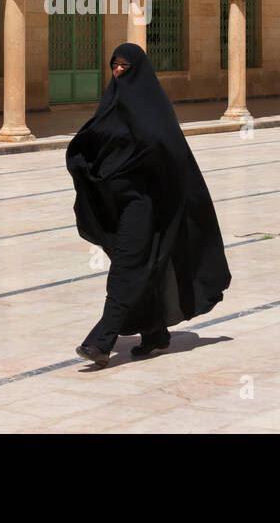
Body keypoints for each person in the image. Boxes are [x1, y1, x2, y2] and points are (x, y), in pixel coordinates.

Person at [66, 42, 231, 368]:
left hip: (147, 204)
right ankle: (155, 332)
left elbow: (168, 152)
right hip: (119, 205)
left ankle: (101, 341)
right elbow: (96, 143)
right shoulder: (112, 105)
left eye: (125, 66)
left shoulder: (153, 109)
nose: (118, 71)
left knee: (127, 267)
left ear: (138, 69)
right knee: (143, 268)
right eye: (115, 64)